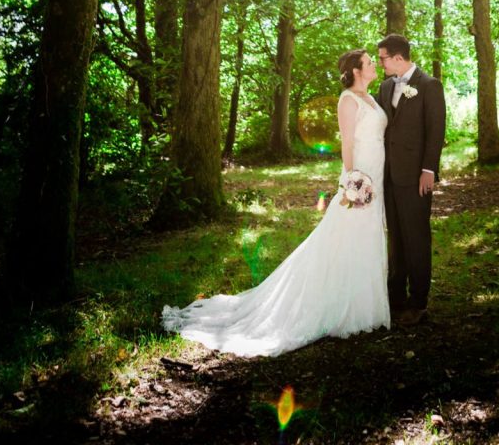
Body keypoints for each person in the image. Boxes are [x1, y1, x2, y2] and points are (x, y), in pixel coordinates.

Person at [161, 49, 390, 356]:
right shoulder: (347, 99)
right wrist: (353, 180)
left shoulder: (372, 98)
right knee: (347, 237)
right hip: (359, 179)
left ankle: (366, 305)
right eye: (370, 62)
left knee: (367, 237)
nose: (375, 64)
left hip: (377, 175)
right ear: (357, 70)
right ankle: (342, 308)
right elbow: (347, 142)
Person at [377, 33, 446, 326]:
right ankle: (396, 299)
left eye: (382, 58)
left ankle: (418, 301)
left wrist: (428, 170)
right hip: (388, 176)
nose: (380, 63)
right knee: (396, 239)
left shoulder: (429, 86)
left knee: (416, 238)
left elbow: (436, 130)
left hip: (416, 176)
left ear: (397, 58)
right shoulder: (384, 87)